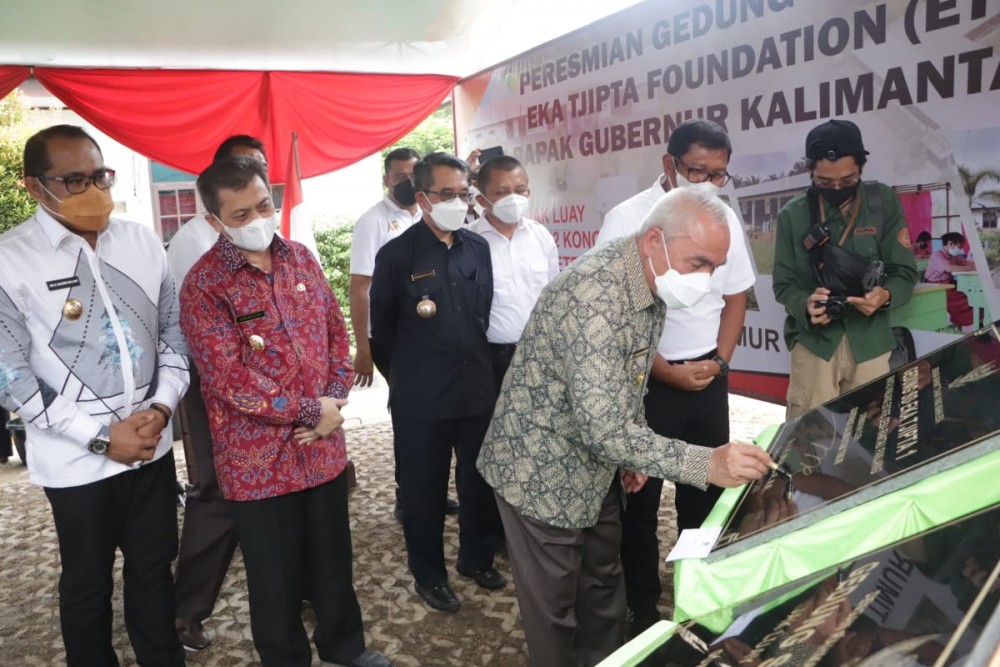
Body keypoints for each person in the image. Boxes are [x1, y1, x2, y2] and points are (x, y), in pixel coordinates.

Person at [477, 187, 774, 666]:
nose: (706, 280)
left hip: (598, 461)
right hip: (539, 470)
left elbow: (626, 377)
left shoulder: (648, 278)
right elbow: (602, 428)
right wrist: (707, 462)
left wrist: (630, 447)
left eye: (715, 268)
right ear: (655, 240)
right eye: (699, 262)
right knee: (555, 609)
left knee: (603, 586)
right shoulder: (594, 299)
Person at [179, 157, 389, 667]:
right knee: (273, 576)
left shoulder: (300, 258)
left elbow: (336, 333)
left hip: (323, 448)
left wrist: (334, 401)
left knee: (333, 560)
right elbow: (227, 379)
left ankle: (345, 646)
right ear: (214, 220)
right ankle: (285, 658)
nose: (257, 219)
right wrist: (306, 411)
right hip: (258, 462)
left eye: (263, 205)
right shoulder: (204, 286)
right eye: (240, 213)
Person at [0, 124, 190, 665]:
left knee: (154, 568)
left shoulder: (141, 241)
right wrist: (103, 439)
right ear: (36, 187)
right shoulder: (10, 259)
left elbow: (173, 332)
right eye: (75, 180)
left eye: (100, 175)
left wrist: (160, 408)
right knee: (87, 581)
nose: (94, 190)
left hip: (150, 445)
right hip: (75, 460)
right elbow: (9, 375)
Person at [595, 119, 756, 635]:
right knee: (639, 498)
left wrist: (720, 362)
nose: (708, 184)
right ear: (669, 165)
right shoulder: (627, 219)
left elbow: (735, 298)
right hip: (643, 379)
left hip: (708, 376)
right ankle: (643, 603)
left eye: (719, 175)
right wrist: (662, 370)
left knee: (706, 493)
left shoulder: (722, 217)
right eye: (697, 171)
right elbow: (611, 315)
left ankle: (697, 594)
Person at [370, 152, 504, 613]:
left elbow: (481, 312)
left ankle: (476, 557)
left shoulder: (477, 248)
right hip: (421, 399)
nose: (458, 202)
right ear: (423, 198)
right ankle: (429, 574)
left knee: (478, 482)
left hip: (476, 391)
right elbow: (381, 334)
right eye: (447, 194)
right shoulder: (396, 256)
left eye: (463, 193)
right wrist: (409, 379)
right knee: (424, 494)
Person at [166, 134, 266, 651]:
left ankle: (301, 589)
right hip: (215, 388)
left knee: (288, 488)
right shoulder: (194, 241)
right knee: (218, 493)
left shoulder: (268, 232)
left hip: (277, 389)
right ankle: (185, 611)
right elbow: (200, 332)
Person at [772, 119, 918, 421]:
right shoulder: (793, 215)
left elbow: (903, 272)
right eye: (825, 182)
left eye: (847, 180)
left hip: (870, 342)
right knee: (809, 440)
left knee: (871, 438)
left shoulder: (883, 203)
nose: (837, 188)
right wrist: (805, 304)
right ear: (810, 171)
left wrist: (885, 295)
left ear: (861, 169)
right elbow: (784, 284)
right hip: (815, 344)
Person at [348, 147, 458, 520]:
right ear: (386, 180)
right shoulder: (373, 221)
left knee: (441, 415)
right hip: (395, 340)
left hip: (436, 337)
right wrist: (363, 348)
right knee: (412, 416)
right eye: (400, 177)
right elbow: (361, 287)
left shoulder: (434, 216)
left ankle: (434, 489)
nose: (408, 183)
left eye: (413, 176)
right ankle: (407, 494)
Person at [469, 155, 559, 395]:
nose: (513, 198)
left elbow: (554, 297)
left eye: (520, 190)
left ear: (529, 193)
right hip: (490, 360)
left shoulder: (541, 236)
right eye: (502, 192)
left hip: (540, 354)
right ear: (482, 199)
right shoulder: (467, 242)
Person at [924, 231, 977, 329]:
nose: (960, 250)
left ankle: (975, 323)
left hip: (948, 286)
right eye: (959, 247)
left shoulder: (953, 256)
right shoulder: (937, 255)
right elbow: (949, 268)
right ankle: (964, 323)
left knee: (972, 295)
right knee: (967, 300)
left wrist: (975, 265)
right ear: (950, 244)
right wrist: (970, 268)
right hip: (935, 288)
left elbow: (968, 263)